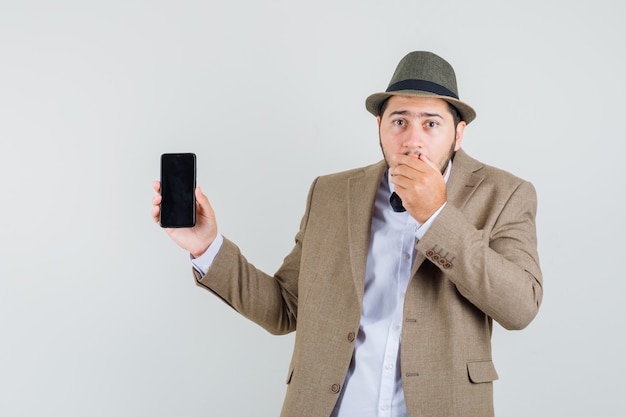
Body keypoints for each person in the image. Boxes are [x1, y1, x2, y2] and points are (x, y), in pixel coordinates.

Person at [151, 51, 543, 417]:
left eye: (431, 123)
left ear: (458, 134)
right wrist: (205, 245)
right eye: (399, 121)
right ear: (380, 126)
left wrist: (436, 216)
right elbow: (285, 308)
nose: (412, 139)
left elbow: (520, 306)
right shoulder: (332, 193)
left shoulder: (504, 194)